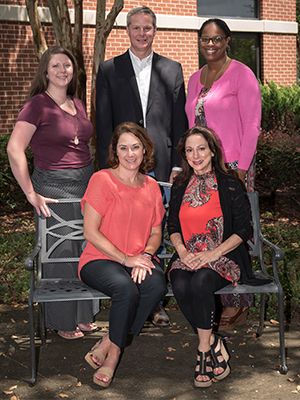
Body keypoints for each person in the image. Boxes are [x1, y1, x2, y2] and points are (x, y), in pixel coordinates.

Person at [96, 5, 188, 326]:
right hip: (123, 166)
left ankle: (153, 300)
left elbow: (180, 123)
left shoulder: (172, 69)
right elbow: (103, 124)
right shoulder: (109, 70)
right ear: (127, 31)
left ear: (155, 30)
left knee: (155, 234)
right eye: (136, 28)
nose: (141, 33)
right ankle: (128, 294)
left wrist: (179, 165)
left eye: (147, 28)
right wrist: (104, 170)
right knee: (123, 231)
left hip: (161, 167)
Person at [7, 46, 99, 339]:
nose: (63, 71)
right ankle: (62, 321)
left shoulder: (78, 103)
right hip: (53, 186)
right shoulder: (37, 105)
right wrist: (30, 193)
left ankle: (83, 314)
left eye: (67, 66)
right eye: (56, 66)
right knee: (61, 250)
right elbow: (14, 148)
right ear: (45, 72)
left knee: (85, 246)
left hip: (85, 183)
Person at [167, 126, 269, 387]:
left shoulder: (230, 182)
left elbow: (243, 229)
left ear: (212, 150)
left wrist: (211, 253)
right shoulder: (179, 185)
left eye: (201, 148)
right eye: (189, 150)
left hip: (222, 255)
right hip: (188, 254)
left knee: (200, 282)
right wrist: (183, 252)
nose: (196, 155)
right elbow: (173, 227)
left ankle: (202, 351)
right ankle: (213, 341)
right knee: (179, 283)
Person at [185, 18, 261, 327]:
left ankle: (239, 300)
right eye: (205, 39)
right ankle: (216, 292)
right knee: (210, 231)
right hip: (204, 167)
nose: (211, 44)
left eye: (217, 39)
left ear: (227, 40)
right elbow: (192, 126)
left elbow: (253, 125)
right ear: (200, 41)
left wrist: (241, 169)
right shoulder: (194, 79)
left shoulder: (242, 74)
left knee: (235, 231)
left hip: (234, 167)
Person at [79, 122, 167, 387]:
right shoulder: (102, 180)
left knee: (155, 285)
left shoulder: (151, 187)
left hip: (137, 259)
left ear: (144, 150)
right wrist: (126, 259)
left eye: (136, 147)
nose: (130, 154)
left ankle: (109, 340)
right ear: (115, 152)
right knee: (126, 289)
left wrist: (147, 256)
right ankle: (114, 355)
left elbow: (155, 233)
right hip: (99, 259)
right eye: (124, 148)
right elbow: (90, 232)